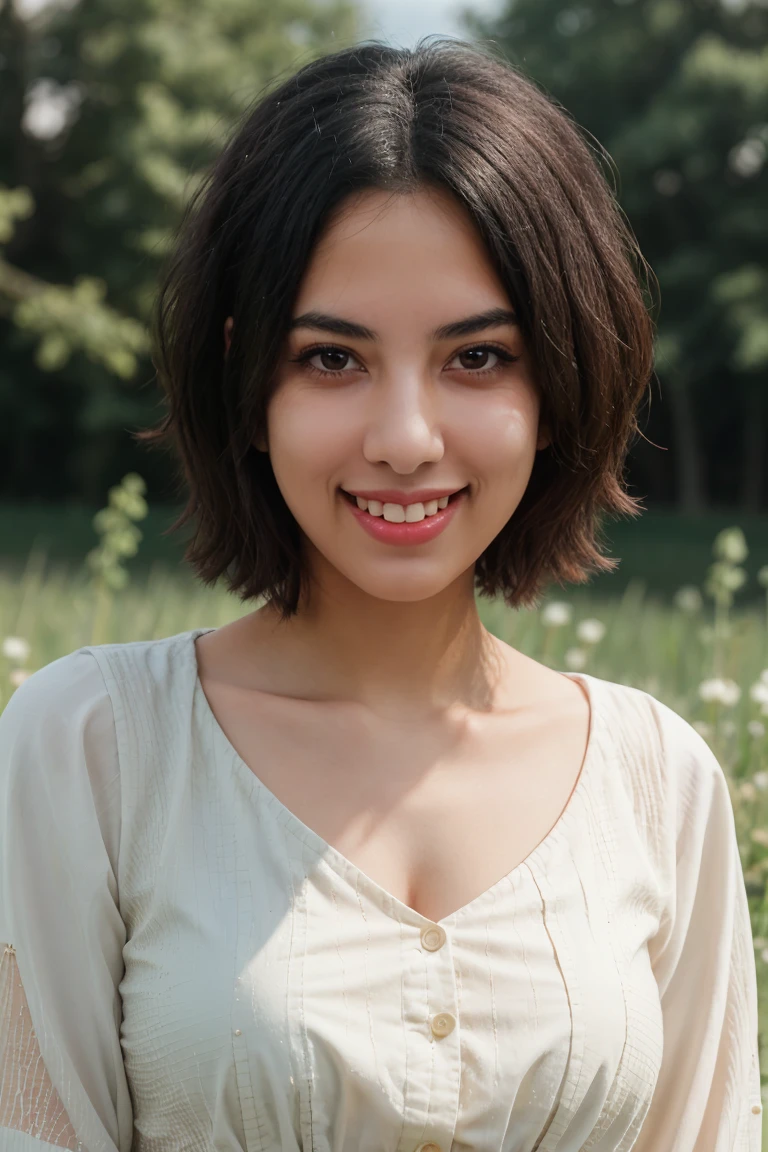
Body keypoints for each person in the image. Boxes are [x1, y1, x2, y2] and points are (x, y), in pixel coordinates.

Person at [0, 35, 761, 1152]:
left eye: (478, 359)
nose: (406, 439)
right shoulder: (90, 751)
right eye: (332, 360)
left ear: (559, 381)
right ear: (243, 375)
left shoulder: (661, 784)